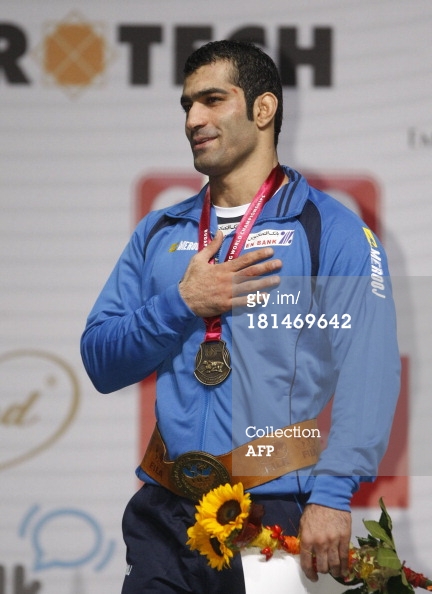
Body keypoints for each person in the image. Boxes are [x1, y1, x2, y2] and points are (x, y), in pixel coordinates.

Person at [81, 40, 400, 593]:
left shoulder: (331, 230)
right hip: (166, 513)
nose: (193, 120)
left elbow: (369, 373)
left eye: (211, 100)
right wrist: (182, 303)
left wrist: (331, 495)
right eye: (187, 105)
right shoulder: (160, 231)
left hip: (271, 511)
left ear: (263, 109)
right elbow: (100, 361)